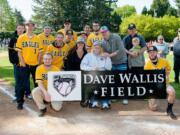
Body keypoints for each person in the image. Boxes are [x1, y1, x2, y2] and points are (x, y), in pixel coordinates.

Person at [15, 20, 43, 109]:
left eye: (32, 25)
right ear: (25, 27)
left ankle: (39, 100)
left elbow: (40, 53)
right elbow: (19, 52)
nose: (30, 27)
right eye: (28, 25)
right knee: (22, 84)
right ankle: (20, 101)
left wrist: (38, 63)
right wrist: (22, 63)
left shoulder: (37, 38)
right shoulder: (21, 37)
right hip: (24, 65)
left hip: (35, 65)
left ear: (34, 27)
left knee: (37, 83)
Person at [145, 46, 177, 120]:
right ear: (148, 54)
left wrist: (165, 74)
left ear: (156, 52)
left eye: (153, 52)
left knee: (172, 92)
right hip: (153, 86)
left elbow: (168, 69)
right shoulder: (147, 64)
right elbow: (146, 78)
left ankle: (169, 110)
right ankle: (153, 98)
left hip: (164, 83)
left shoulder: (164, 61)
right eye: (150, 52)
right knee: (153, 108)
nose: (152, 54)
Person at [100, 26, 128, 105]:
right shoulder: (103, 42)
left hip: (121, 61)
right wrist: (104, 54)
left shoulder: (116, 37)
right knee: (114, 81)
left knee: (123, 80)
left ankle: (125, 97)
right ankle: (115, 95)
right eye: (102, 33)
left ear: (108, 31)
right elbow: (105, 52)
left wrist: (109, 55)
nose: (104, 34)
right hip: (112, 63)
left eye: (105, 32)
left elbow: (121, 49)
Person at [81, 40, 112, 109]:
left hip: (103, 74)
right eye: (95, 47)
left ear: (101, 48)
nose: (97, 49)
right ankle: (94, 102)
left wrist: (107, 58)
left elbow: (109, 68)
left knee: (104, 85)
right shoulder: (88, 55)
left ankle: (105, 103)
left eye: (98, 47)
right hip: (92, 74)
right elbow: (82, 66)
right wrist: (91, 68)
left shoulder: (105, 55)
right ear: (93, 48)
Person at [8, 24, 31, 101]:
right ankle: (17, 95)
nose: (20, 30)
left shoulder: (27, 38)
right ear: (16, 29)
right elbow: (10, 52)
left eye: (22, 28)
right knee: (18, 79)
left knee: (26, 79)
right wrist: (13, 61)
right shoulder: (13, 39)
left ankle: (27, 93)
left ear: (24, 29)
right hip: (17, 63)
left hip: (26, 62)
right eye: (19, 28)